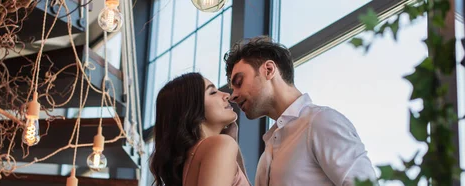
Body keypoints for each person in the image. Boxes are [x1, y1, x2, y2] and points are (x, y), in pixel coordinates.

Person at [224, 36, 377, 186]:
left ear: (269, 70)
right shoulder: (269, 150)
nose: (233, 96)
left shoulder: (320, 122)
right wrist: (231, 146)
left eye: (239, 82)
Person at [149, 72, 251, 186]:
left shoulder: (190, 160)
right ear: (191, 109)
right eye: (212, 92)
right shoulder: (221, 145)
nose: (226, 95)